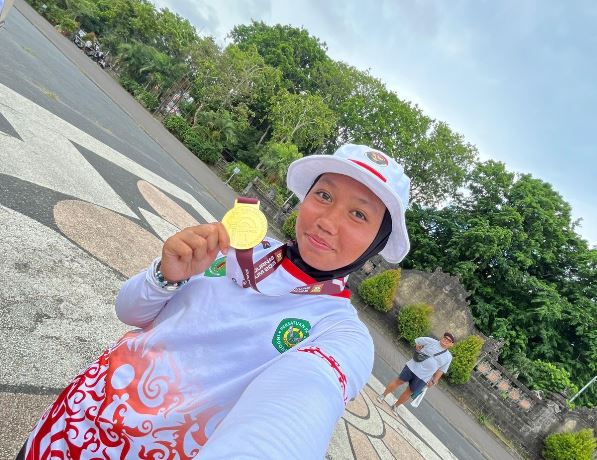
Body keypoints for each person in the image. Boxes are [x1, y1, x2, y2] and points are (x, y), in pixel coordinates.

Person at [18, 143, 411, 459]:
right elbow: (129, 311)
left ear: (377, 243)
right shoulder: (238, 246)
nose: (327, 220)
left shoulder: (341, 334)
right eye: (323, 195)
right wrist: (165, 275)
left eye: (359, 215)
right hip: (70, 421)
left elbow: (300, 406)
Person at [377, 332, 455, 414]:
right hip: (412, 367)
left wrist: (433, 381)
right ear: (442, 337)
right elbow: (418, 341)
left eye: (449, 340)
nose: (446, 340)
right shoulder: (431, 341)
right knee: (398, 381)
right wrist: (418, 350)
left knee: (409, 391)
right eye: (445, 338)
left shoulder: (448, 357)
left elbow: (441, 370)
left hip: (424, 377)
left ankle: (396, 406)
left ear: (451, 344)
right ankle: (383, 395)